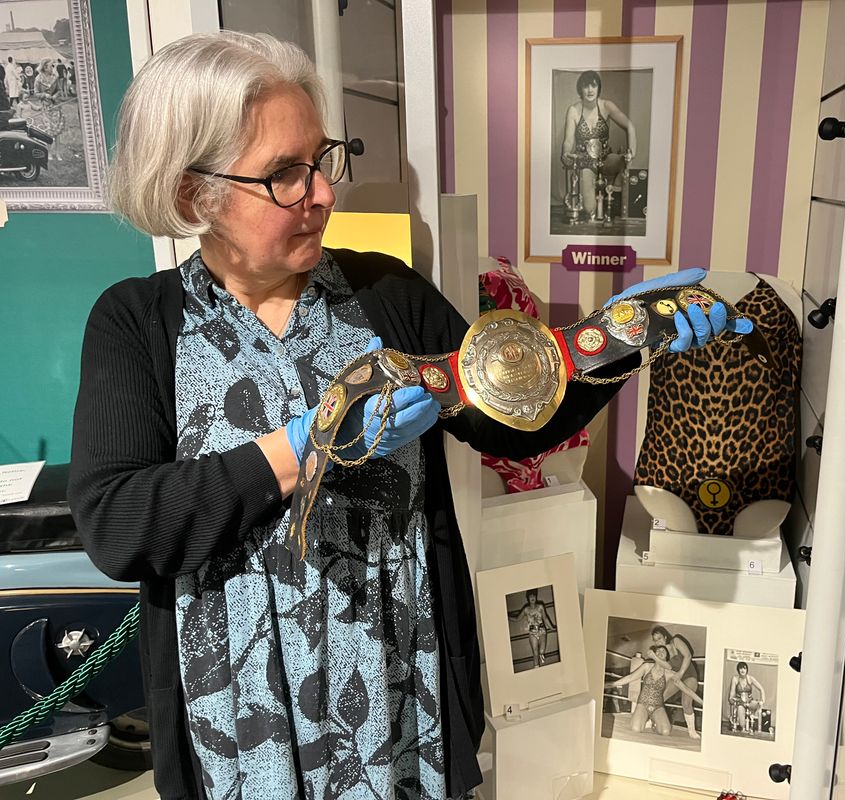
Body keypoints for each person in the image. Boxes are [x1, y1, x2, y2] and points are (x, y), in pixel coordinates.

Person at [68, 31, 738, 800]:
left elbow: (510, 417)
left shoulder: (386, 294)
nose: (323, 193)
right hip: (241, 713)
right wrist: (306, 445)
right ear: (196, 195)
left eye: (321, 159)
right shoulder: (137, 325)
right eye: (284, 174)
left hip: (399, 682)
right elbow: (120, 525)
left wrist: (608, 342)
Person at [560, 69, 637, 220]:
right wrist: (566, 153)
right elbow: (568, 140)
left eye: (593, 86)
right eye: (586, 86)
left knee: (625, 163)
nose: (590, 90)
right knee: (590, 209)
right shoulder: (573, 110)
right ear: (580, 89)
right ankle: (595, 205)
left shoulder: (606, 106)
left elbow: (630, 126)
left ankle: (612, 191)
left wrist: (632, 153)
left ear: (598, 88)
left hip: (606, 158)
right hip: (585, 162)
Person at [611, 645, 703, 737]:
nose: (660, 652)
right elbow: (630, 677)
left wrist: (702, 702)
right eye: (658, 651)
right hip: (643, 703)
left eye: (663, 651)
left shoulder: (669, 674)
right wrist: (612, 684)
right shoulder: (647, 666)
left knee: (665, 731)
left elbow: (686, 689)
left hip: (658, 706)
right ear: (654, 654)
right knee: (636, 729)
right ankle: (641, 716)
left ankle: (653, 719)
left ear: (667, 656)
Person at [647, 625, 703, 739]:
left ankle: (692, 731)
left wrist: (680, 673)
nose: (658, 642)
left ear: (665, 637)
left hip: (689, 675)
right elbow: (665, 667)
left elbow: (688, 655)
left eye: (659, 638)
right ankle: (652, 720)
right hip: (676, 678)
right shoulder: (661, 653)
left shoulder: (675, 641)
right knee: (660, 697)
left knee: (686, 702)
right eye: (655, 640)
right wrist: (654, 657)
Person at [511, 589, 555, 667]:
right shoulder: (526, 609)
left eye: (533, 596)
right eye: (530, 596)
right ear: (528, 598)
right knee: (535, 653)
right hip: (532, 632)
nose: (532, 598)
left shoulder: (540, 607)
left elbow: (545, 618)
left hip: (542, 631)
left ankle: (542, 664)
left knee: (541, 652)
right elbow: (517, 619)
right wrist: (507, 617)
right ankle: (536, 668)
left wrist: (552, 628)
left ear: (536, 596)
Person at [728, 661, 766, 733]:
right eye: (741, 668)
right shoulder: (735, 679)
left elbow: (761, 689)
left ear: (747, 670)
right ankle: (742, 725)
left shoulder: (750, 678)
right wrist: (732, 700)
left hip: (750, 702)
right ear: (738, 670)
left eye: (744, 668)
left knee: (759, 705)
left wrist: (762, 701)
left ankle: (754, 723)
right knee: (742, 726)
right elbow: (731, 694)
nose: (742, 670)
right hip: (740, 703)